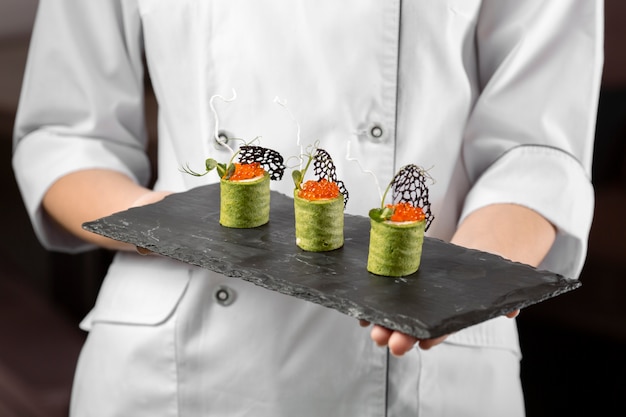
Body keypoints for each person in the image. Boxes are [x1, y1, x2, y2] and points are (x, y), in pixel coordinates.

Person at [12, 1, 603, 416]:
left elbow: (536, 146)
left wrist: (462, 283)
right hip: (177, 370)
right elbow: (66, 134)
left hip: (423, 375)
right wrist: (166, 218)